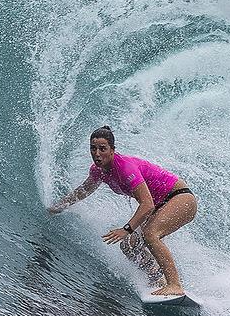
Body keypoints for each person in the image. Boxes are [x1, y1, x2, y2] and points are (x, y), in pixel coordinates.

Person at [48, 126, 197, 296]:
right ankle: (158, 280)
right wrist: (59, 206)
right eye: (93, 148)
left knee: (150, 234)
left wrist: (126, 229)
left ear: (112, 150)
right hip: (162, 205)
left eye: (102, 149)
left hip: (180, 198)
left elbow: (146, 204)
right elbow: (84, 190)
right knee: (129, 246)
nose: (97, 153)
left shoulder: (125, 168)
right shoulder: (98, 171)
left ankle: (175, 285)